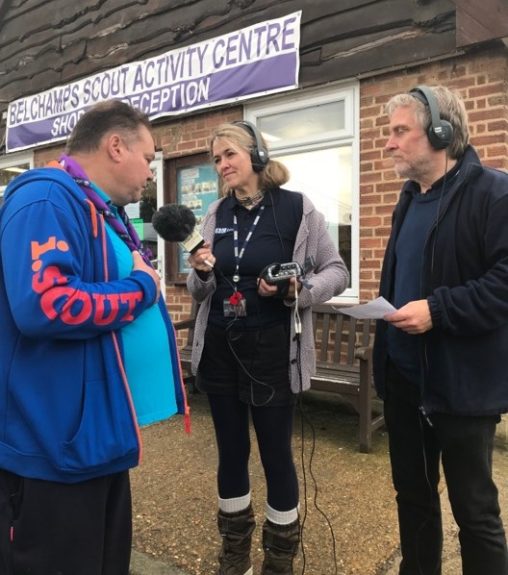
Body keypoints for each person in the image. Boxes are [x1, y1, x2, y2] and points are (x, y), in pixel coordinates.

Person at [0, 100, 189, 575]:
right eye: (149, 158)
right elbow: (47, 305)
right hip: (52, 447)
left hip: (95, 442)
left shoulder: (97, 208)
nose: (151, 171)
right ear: (115, 145)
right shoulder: (45, 199)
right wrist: (140, 288)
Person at [186, 119, 349, 575]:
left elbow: (337, 271)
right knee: (230, 452)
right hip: (219, 348)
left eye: (229, 155)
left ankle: (279, 560)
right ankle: (234, 552)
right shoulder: (215, 214)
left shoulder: (298, 209)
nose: (222, 166)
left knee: (277, 453)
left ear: (256, 155)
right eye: (216, 159)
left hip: (274, 352)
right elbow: (198, 291)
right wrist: (198, 272)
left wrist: (300, 288)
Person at [373, 84, 508, 574]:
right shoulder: (407, 201)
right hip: (406, 382)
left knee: (476, 512)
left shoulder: (495, 193)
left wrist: (438, 310)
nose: (388, 143)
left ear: (440, 132)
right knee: (413, 499)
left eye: (399, 131)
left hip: (463, 385)